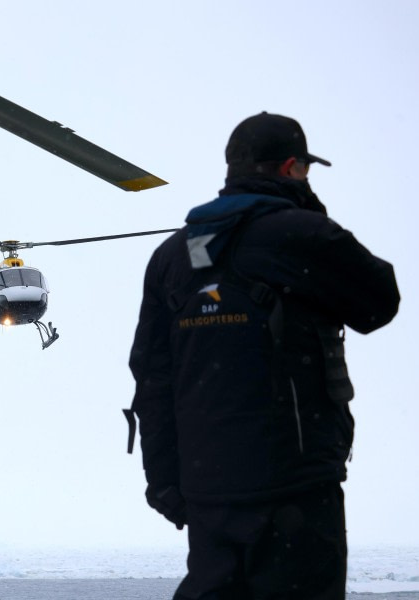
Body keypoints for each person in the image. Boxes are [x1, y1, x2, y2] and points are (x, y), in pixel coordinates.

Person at [128, 112, 400, 599]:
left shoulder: (171, 257)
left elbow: (150, 379)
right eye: (304, 172)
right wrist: (308, 215)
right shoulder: (300, 235)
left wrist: (166, 483)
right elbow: (380, 301)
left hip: (206, 493)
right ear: (292, 168)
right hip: (295, 490)